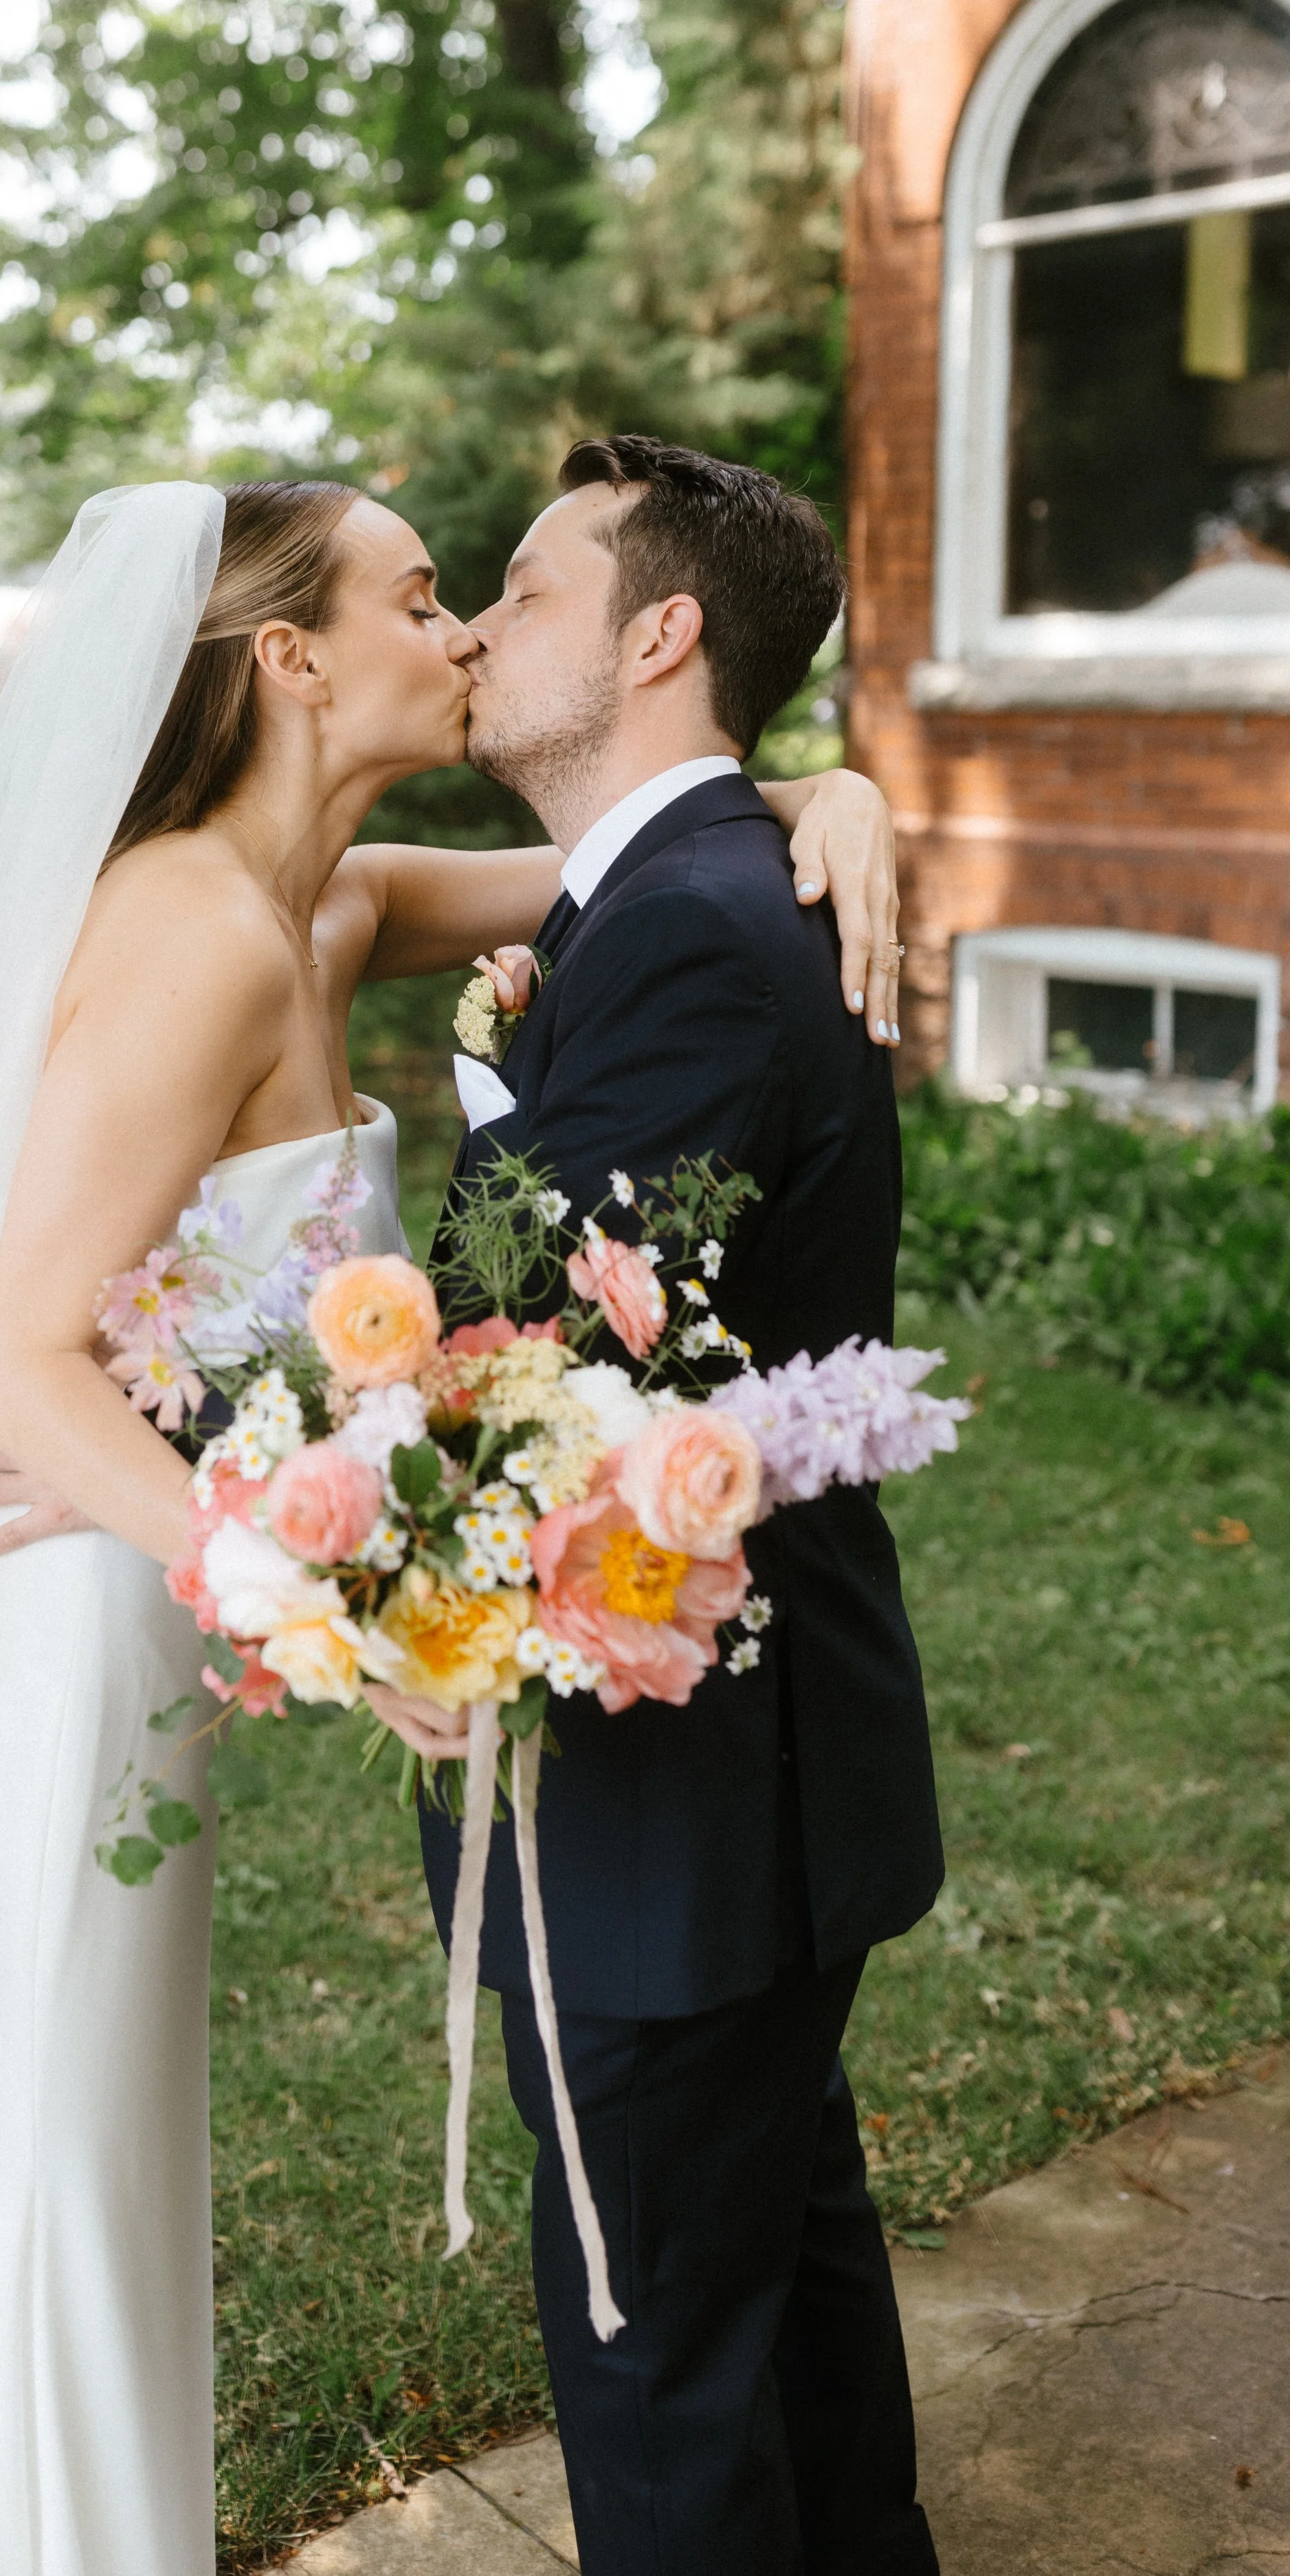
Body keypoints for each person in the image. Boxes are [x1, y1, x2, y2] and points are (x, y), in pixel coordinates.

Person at [0, 472, 900, 2575]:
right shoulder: (192, 930)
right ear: (291, 657)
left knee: (103, 2153)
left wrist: (825, 788)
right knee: (1, 2159)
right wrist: (339, 1599)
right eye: (426, 593)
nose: (469, 627)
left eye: (489, 592)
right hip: (36, 1621)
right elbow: (18, 1364)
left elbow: (612, 863)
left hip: (148, 1609)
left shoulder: (323, 899)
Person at [368, 434, 944, 2574]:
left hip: (683, 1788)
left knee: (652, 2356)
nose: (475, 625)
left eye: (522, 585)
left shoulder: (695, 932)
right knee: (772, 2283)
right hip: (742, 1789)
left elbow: (489, 1359)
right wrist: (827, 785)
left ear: (659, 631)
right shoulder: (680, 890)